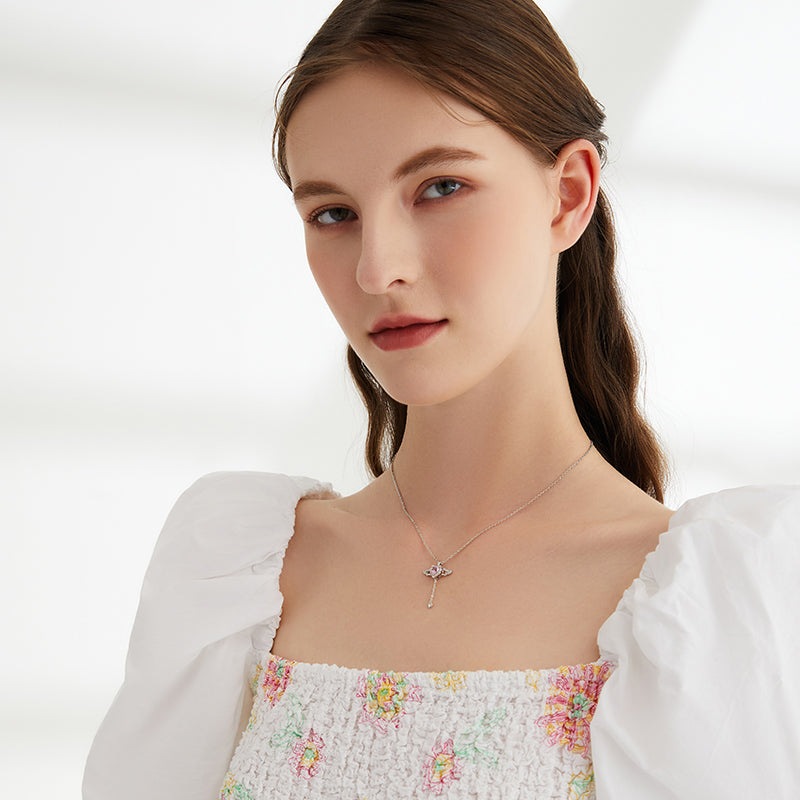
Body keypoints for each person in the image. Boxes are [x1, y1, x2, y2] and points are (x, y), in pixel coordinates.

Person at [83, 1, 800, 798]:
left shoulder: (716, 610)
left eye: (440, 187)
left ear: (567, 195)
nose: (376, 269)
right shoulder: (232, 578)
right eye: (333, 214)